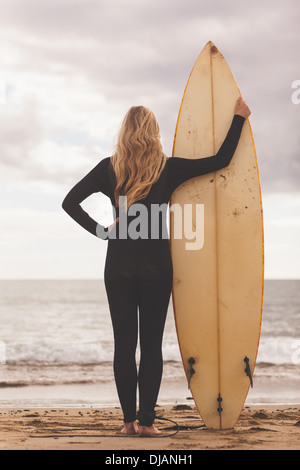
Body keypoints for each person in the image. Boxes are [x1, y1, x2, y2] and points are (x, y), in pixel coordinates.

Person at [62, 97, 251, 436]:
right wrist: (238, 118)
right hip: (156, 268)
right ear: (153, 132)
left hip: (117, 266)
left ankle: (127, 423)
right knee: (151, 344)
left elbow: (69, 201)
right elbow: (220, 161)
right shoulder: (168, 167)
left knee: (124, 344)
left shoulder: (109, 167)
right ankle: (147, 423)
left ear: (125, 132)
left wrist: (103, 231)